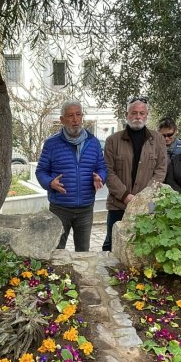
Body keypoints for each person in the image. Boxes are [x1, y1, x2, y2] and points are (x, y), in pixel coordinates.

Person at [36, 100, 107, 252]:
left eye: (78, 114)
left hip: (86, 209)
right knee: (56, 251)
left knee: (83, 251)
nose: (75, 119)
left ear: (82, 117)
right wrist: (50, 183)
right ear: (62, 120)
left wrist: (100, 177)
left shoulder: (93, 142)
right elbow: (41, 171)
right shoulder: (51, 144)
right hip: (60, 208)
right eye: (70, 116)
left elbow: (101, 167)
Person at [102, 97, 167, 251]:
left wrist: (144, 197)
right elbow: (107, 171)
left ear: (147, 115)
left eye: (142, 113)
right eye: (134, 113)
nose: (138, 116)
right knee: (112, 245)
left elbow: (161, 170)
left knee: (144, 247)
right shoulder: (113, 140)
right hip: (118, 204)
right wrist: (125, 196)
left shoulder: (158, 139)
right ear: (127, 115)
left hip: (147, 205)